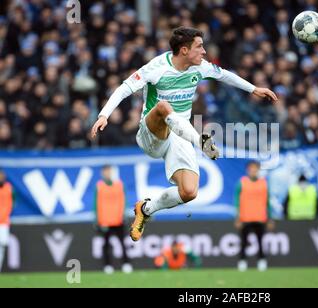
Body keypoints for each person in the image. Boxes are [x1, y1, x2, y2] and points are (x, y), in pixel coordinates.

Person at [90, 27, 278, 242]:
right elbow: (125, 88)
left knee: (189, 191)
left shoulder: (200, 68)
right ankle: (200, 141)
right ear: (184, 50)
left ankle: (146, 209)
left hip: (179, 134)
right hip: (152, 134)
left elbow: (224, 75)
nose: (204, 52)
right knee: (163, 106)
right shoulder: (157, 67)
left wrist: (253, 89)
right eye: (200, 47)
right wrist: (104, 115)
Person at [234, 161, 274, 272]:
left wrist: (270, 218)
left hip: (260, 218)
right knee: (244, 242)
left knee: (260, 242)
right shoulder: (242, 183)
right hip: (245, 218)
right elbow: (236, 201)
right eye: (251, 169)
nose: (253, 171)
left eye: (255, 169)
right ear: (248, 170)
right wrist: (237, 217)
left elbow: (267, 202)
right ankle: (242, 262)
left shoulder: (263, 183)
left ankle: (261, 261)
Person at [94, 165, 132, 274]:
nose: (107, 174)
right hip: (105, 221)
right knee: (105, 245)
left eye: (109, 171)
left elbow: (124, 201)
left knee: (122, 243)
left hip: (118, 220)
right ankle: (107, 266)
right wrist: (96, 220)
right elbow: (95, 204)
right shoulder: (99, 186)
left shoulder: (119, 185)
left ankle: (126, 264)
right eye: (105, 172)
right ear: (102, 173)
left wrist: (125, 215)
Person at [0, 169, 14, 273]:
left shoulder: (8, 187)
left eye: (2, 175)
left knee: (2, 245)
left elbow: (10, 203)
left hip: (3, 223)